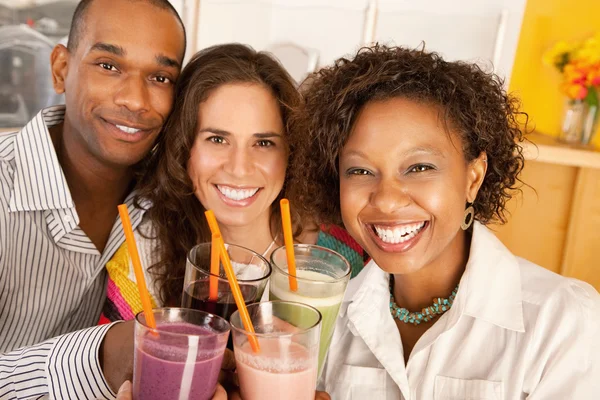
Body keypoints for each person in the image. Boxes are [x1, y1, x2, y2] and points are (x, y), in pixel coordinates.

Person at [288, 44, 600, 399]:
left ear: (473, 177)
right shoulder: (330, 318)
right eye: (360, 170)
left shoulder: (561, 320)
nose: (387, 199)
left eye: (419, 168)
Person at [0, 0, 189, 398]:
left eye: (160, 77)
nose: (136, 100)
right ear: (60, 69)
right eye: (108, 66)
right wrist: (98, 357)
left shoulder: (170, 201)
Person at [100, 43, 367, 322]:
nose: (239, 169)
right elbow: (118, 361)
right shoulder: (146, 253)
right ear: (183, 147)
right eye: (217, 140)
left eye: (263, 143)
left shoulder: (343, 248)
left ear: (291, 150)